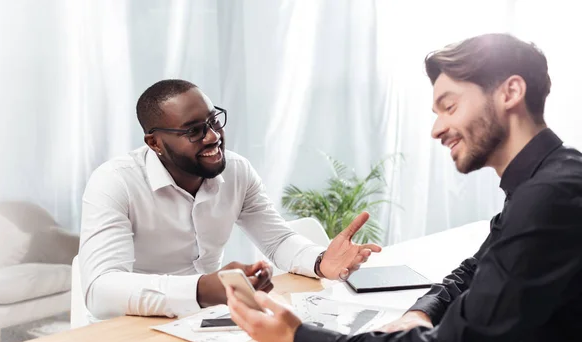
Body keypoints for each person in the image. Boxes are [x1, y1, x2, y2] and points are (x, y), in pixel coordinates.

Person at [226, 33, 582, 342]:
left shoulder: (550, 197)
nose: (436, 129)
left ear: (510, 93)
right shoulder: (550, 180)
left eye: (450, 106)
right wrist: (422, 312)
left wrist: (298, 339)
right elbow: (476, 268)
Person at [77, 79, 381, 322]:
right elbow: (101, 291)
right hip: (132, 326)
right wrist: (201, 289)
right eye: (194, 131)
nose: (212, 137)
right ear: (155, 142)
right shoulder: (115, 183)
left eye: (213, 121)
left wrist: (319, 260)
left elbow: (277, 241)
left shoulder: (237, 171)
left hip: (210, 321)